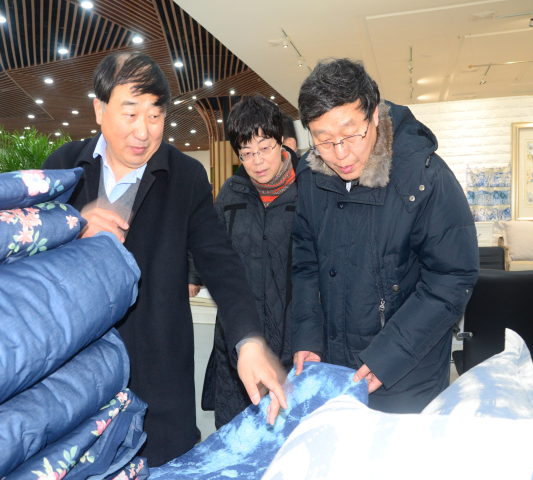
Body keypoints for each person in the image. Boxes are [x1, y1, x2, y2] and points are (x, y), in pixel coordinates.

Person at [42, 52, 287, 466]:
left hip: (158, 384)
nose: (143, 131)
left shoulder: (185, 175)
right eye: (131, 113)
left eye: (155, 115)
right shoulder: (64, 168)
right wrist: (71, 227)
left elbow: (221, 264)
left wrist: (249, 340)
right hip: (77, 379)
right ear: (100, 110)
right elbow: (29, 264)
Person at [291, 58, 479, 414]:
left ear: (374, 114)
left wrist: (388, 356)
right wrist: (307, 336)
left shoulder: (425, 177)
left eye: (351, 135)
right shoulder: (310, 174)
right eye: (324, 140)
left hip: (405, 372)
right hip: (332, 366)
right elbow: (305, 263)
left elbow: (452, 278)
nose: (340, 154)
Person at [202, 95, 298, 428]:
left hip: (293, 349)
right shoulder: (230, 194)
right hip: (238, 350)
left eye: (264, 148)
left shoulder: (309, 189)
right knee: (237, 439)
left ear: (281, 140)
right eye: (246, 153)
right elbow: (213, 257)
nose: (257, 161)